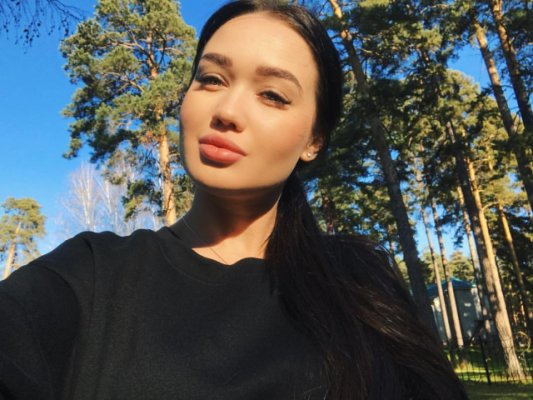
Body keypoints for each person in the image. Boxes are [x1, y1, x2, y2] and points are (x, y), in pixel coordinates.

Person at [0, 1, 468, 399]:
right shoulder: (89, 275)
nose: (225, 111)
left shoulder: (360, 285)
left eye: (272, 95)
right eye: (211, 79)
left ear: (314, 140)